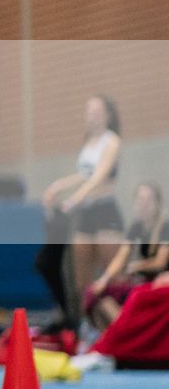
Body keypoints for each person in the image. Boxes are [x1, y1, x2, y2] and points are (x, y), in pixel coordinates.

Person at [34, 95, 124, 328]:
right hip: (86, 214)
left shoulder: (111, 141)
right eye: (88, 110)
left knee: (111, 277)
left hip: (105, 211)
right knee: (82, 280)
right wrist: (59, 186)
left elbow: (99, 175)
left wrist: (75, 198)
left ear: (108, 115)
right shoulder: (88, 143)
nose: (91, 115)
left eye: (96, 111)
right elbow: (84, 173)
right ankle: (90, 328)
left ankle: (121, 326)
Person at [83, 181, 166, 331]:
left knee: (135, 297)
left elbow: (160, 263)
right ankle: (120, 332)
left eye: (148, 200)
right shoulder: (136, 227)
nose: (144, 205)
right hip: (143, 282)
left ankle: (128, 331)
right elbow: (121, 257)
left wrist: (136, 267)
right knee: (96, 293)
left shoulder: (164, 226)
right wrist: (104, 279)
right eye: (140, 200)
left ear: (157, 203)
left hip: (160, 283)